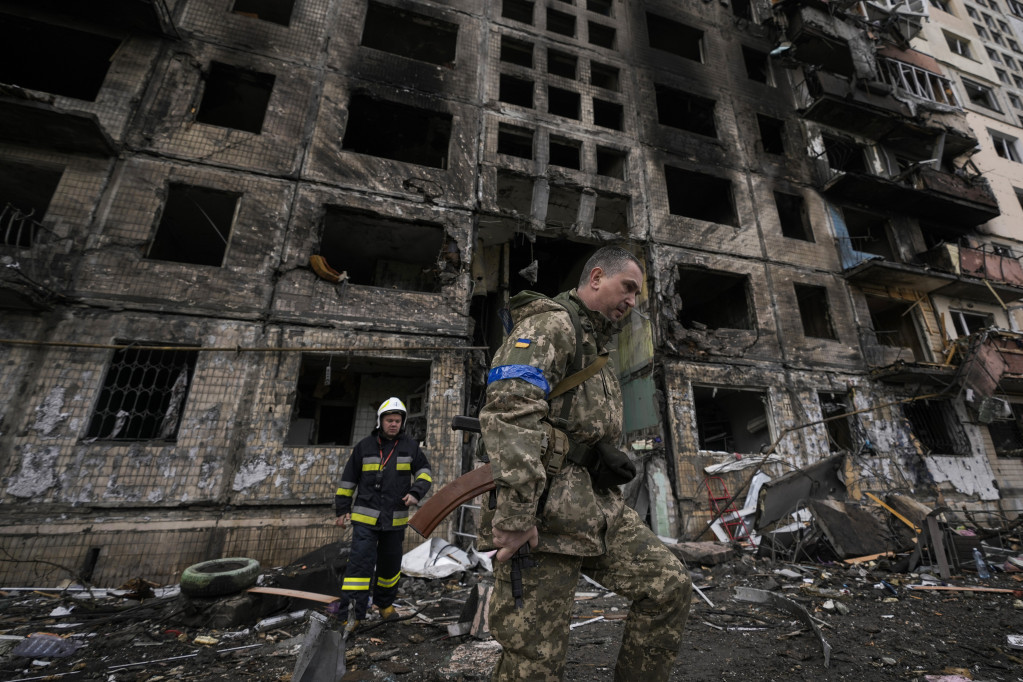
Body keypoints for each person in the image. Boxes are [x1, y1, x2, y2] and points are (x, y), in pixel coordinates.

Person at [478, 246, 692, 681]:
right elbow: (509, 412)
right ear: (596, 278)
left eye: (637, 294)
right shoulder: (551, 326)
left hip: (598, 511)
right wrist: (517, 515)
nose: (632, 301)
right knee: (534, 661)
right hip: (546, 517)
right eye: (627, 288)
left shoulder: (599, 349)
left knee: (669, 586)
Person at [334, 397, 432, 628]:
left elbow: (425, 473)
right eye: (389, 420)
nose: (393, 424)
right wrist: (342, 509)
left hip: (395, 520)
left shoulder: (410, 446)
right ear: (380, 421)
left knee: (390, 567)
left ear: (402, 422)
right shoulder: (364, 447)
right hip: (364, 521)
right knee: (358, 568)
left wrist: (416, 492)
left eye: (397, 420)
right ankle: (352, 615)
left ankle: (385, 606)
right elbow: (348, 481)